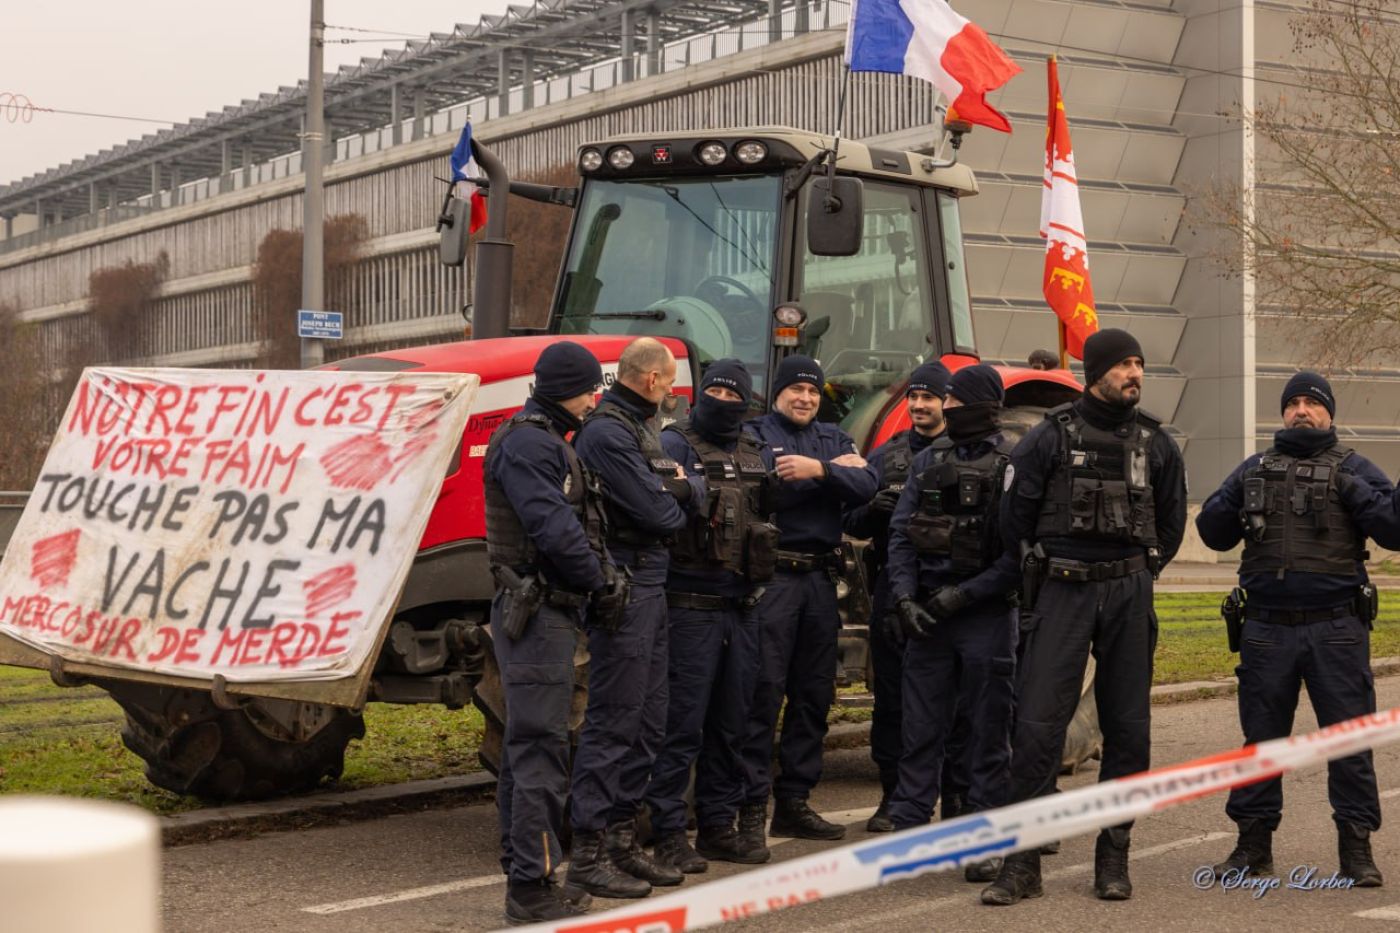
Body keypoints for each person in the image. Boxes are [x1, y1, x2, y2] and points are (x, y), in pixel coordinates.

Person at [983, 328, 1187, 906]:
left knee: (1128, 733)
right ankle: (1022, 864)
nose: (1134, 373)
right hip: (1062, 592)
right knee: (1037, 730)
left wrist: (1137, 574)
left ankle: (1113, 857)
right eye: (1123, 364)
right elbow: (1013, 519)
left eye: (1138, 364)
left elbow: (1170, 527)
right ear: (1095, 371)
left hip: (1128, 594)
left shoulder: (1158, 444)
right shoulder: (1049, 436)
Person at [1197, 371, 1400, 887]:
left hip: (1336, 627)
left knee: (1348, 743)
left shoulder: (1355, 467)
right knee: (1260, 742)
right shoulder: (1255, 467)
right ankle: (1252, 847)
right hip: (1266, 629)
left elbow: (1395, 531)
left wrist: (1356, 492)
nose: (1301, 411)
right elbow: (1212, 534)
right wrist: (1233, 496)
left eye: (1312, 402)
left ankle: (1355, 851)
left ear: (1330, 413)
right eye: (1293, 403)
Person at [569, 337, 705, 899]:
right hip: (627, 584)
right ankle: (589, 853)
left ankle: (623, 841)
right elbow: (659, 510)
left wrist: (680, 489)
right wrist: (681, 491)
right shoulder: (608, 432)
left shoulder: (637, 427)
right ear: (650, 379)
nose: (672, 392)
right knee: (615, 721)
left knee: (650, 720)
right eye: (670, 382)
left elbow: (675, 491)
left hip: (651, 581)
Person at [483, 341, 607, 924]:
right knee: (539, 752)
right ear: (568, 388)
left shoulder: (538, 437)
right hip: (538, 615)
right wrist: (601, 582)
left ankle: (527, 873)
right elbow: (555, 529)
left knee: (525, 750)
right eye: (589, 388)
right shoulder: (532, 443)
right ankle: (531, 888)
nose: (594, 398)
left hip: (540, 611)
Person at [885, 365, 1020, 882]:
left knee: (989, 733)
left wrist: (961, 596)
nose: (949, 409)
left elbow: (1018, 553)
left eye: (957, 402)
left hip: (985, 614)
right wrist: (903, 599)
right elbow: (901, 534)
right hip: (926, 618)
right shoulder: (929, 460)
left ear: (982, 406)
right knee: (920, 730)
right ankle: (910, 828)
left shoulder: (1013, 464)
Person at [739, 355, 878, 846]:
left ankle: (794, 803)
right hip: (773, 579)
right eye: (796, 389)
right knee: (762, 694)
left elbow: (867, 486)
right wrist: (828, 479)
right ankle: (751, 810)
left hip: (821, 582)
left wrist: (815, 469)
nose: (806, 398)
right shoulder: (752, 435)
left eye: (814, 391)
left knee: (813, 697)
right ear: (777, 393)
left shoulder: (833, 439)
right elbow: (762, 495)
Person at [644, 359, 776, 873]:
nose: (723, 399)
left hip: (743, 609)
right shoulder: (673, 445)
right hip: (688, 610)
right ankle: (670, 832)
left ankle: (718, 827)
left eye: (732, 392)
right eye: (715, 389)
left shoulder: (755, 451)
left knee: (732, 724)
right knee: (681, 728)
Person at [843, 360, 959, 833]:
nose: (918, 406)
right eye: (913, 397)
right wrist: (872, 510)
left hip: (949, 594)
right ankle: (893, 796)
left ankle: (956, 798)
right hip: (894, 592)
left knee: (954, 703)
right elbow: (849, 523)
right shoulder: (885, 457)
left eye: (928, 397)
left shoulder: (965, 456)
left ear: (947, 402)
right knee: (892, 702)